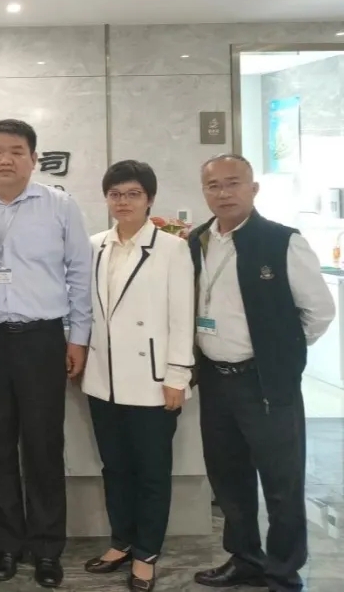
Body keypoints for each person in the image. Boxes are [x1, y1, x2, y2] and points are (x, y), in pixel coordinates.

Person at [0, 119, 92, 589]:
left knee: (43, 446)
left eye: (16, 150)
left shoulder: (59, 206)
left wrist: (78, 338)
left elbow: (79, 273)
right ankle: (6, 544)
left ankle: (47, 548)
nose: (5, 159)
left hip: (41, 340)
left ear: (34, 158)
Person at [190, 154, 333, 592]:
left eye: (233, 183)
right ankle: (245, 558)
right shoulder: (196, 241)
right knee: (228, 477)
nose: (223, 193)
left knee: (281, 482)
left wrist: (280, 355)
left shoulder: (282, 241)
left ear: (253, 189)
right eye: (213, 185)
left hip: (265, 382)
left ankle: (283, 570)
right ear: (204, 192)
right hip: (215, 380)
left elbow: (319, 311)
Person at [80, 160, 194, 592]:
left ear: (149, 199)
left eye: (132, 194)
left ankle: (146, 553)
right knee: (115, 467)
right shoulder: (95, 245)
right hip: (102, 380)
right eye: (115, 194)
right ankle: (121, 541)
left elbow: (182, 317)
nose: (123, 202)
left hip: (152, 382)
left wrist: (177, 375)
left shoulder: (172, 249)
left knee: (151, 473)